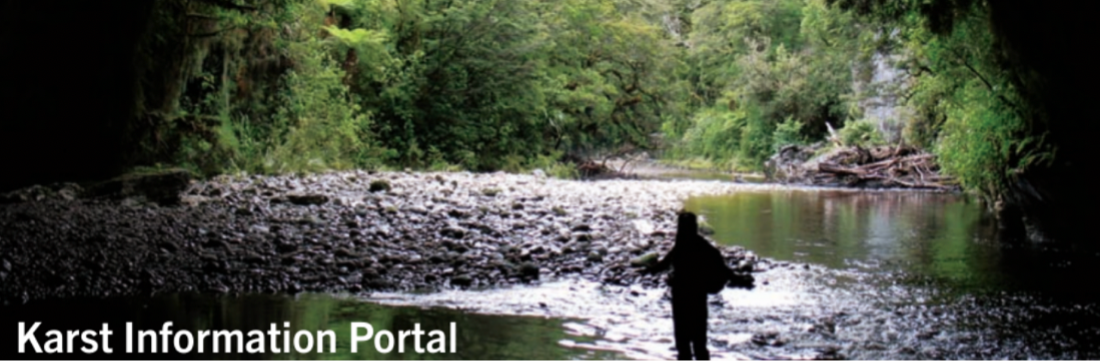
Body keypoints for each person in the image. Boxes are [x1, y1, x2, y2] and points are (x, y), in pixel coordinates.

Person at [646, 211, 751, 361]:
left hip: (681, 294)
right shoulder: (701, 245)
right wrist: (738, 278)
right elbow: (721, 266)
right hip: (697, 294)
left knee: (683, 341)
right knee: (699, 340)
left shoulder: (681, 243)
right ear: (694, 226)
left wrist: (648, 270)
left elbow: (665, 263)